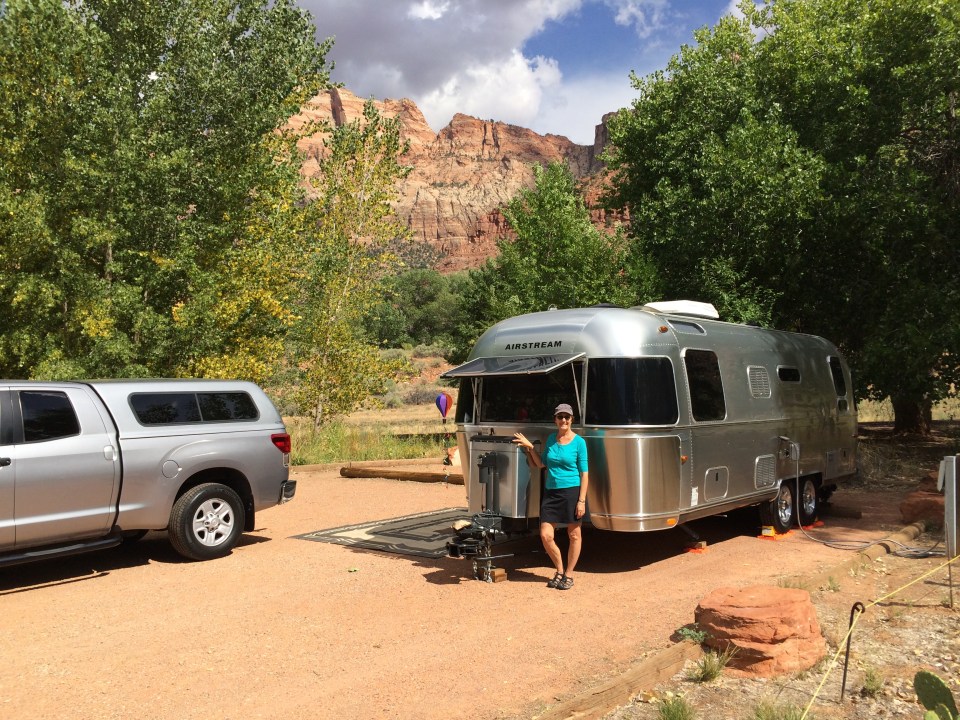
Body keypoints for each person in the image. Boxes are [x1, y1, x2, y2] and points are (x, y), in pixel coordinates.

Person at [512, 403, 589, 590]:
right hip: (551, 492)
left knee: (574, 535)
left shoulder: (579, 442)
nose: (563, 420)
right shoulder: (551, 440)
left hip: (571, 492)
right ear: (555, 420)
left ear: (572, 420)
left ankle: (569, 575)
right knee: (546, 535)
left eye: (567, 417)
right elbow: (541, 464)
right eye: (560, 417)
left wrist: (581, 501)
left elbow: (585, 474)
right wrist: (530, 448)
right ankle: (560, 570)